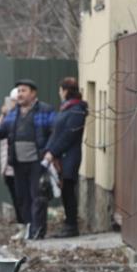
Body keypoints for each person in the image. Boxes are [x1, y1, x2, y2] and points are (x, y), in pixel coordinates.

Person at [0, 79, 55, 240]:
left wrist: (50, 153)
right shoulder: (13, 113)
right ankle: (27, 228)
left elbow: (54, 132)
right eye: (19, 91)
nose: (20, 94)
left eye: (24, 90)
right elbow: (3, 130)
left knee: (38, 196)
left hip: (38, 161)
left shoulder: (45, 110)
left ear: (33, 93)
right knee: (22, 197)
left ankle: (38, 231)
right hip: (18, 162)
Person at [43, 77, 88, 238]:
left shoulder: (76, 110)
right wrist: (49, 150)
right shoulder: (67, 108)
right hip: (62, 155)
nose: (59, 93)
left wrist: (53, 152)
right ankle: (68, 224)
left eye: (61, 90)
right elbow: (56, 132)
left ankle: (71, 225)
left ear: (66, 91)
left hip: (70, 156)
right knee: (65, 191)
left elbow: (68, 135)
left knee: (68, 190)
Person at [0, 90, 24, 229]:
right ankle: (20, 224)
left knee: (21, 197)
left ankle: (24, 224)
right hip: (7, 165)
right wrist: (3, 115)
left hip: (18, 163)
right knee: (15, 197)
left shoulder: (20, 116)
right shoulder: (7, 118)